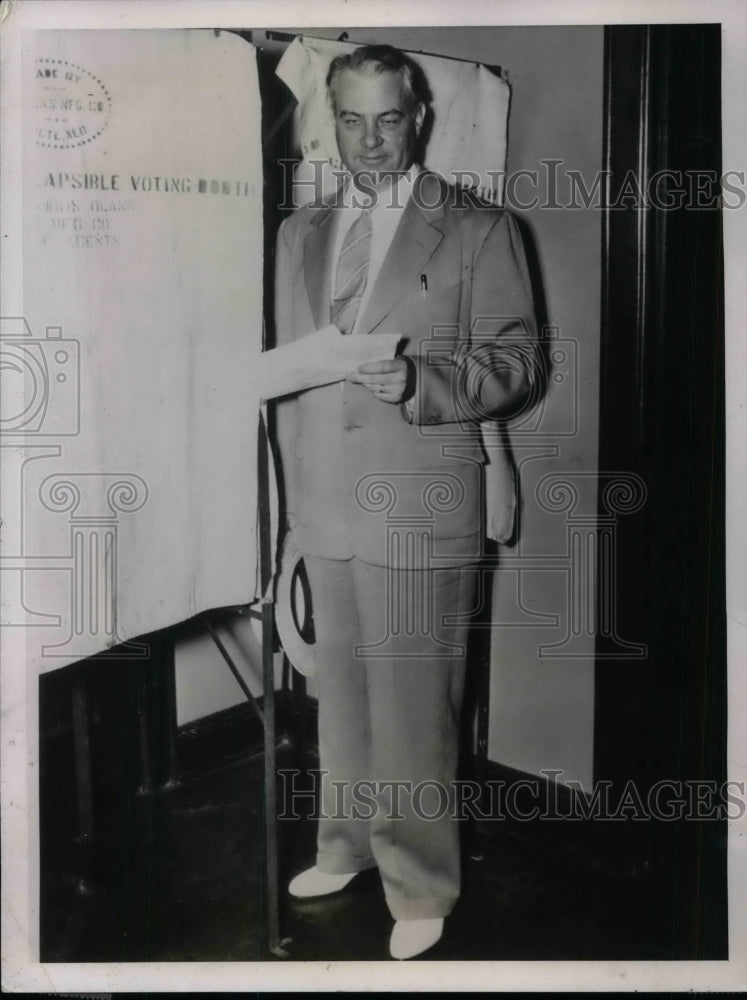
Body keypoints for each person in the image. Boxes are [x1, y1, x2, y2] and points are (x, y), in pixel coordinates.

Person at [273, 43, 539, 960]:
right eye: (352, 119)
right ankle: (344, 845)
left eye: (390, 118)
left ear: (417, 118)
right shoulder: (299, 233)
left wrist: (420, 381)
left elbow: (518, 361)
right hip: (325, 503)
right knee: (338, 698)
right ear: (330, 121)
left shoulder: (474, 226)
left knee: (418, 709)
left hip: (422, 498)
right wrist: (290, 516)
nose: (371, 138)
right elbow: (288, 381)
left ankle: (421, 884)